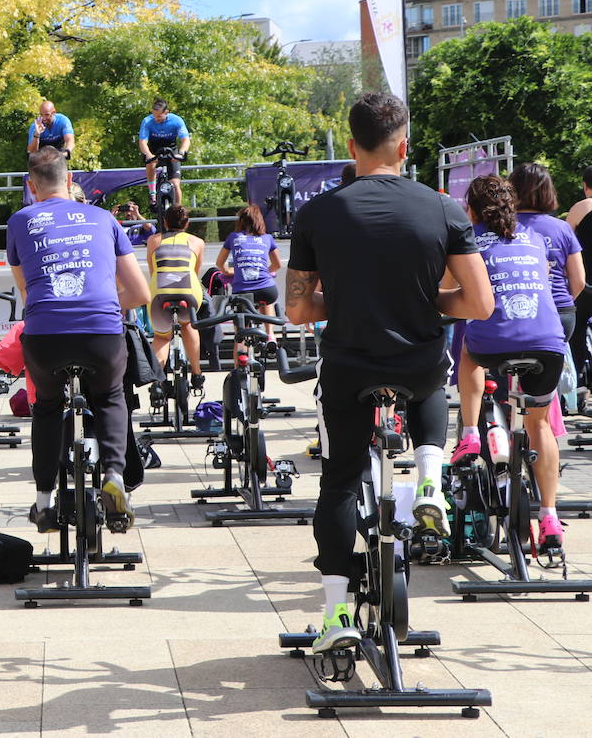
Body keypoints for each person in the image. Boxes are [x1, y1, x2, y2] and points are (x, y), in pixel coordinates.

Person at [285, 92, 493, 654]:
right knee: (431, 376)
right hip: (419, 364)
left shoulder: (317, 213)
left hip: (349, 369)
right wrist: (423, 301)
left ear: (351, 148)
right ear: (404, 146)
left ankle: (336, 615)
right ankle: (429, 475)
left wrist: (352, 300)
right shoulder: (444, 209)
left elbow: (300, 310)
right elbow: (479, 304)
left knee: (339, 482)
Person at [7, 148, 152, 531]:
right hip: (101, 332)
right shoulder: (104, 219)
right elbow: (139, 294)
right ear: (71, 182)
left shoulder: (20, 221)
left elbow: (27, 295)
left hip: (46, 334)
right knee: (109, 397)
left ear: (30, 186)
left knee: (48, 408)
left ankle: (44, 501)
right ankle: (115, 477)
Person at [451, 176, 569, 548]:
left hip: (494, 343)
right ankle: (549, 516)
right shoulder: (534, 239)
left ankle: (470, 433)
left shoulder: (469, 242)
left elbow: (443, 286)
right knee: (540, 427)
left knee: (469, 349)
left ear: (471, 210)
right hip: (549, 343)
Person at [509, 163, 584, 342]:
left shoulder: (503, 227)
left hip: (515, 311)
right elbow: (579, 281)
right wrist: (558, 302)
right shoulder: (562, 228)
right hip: (561, 313)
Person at [146, 205, 205, 389]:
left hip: (160, 292)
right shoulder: (197, 242)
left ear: (164, 221)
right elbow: (195, 271)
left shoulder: (153, 241)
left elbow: (153, 270)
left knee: (162, 337)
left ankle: (156, 383)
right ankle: (197, 374)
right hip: (188, 290)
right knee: (188, 325)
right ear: (187, 223)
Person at [216, 205, 283, 351]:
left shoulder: (233, 238)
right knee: (267, 297)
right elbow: (278, 264)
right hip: (267, 290)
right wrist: (266, 270)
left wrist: (229, 271)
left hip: (243, 292)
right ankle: (270, 334)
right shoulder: (267, 238)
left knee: (240, 333)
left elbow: (219, 263)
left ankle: (240, 354)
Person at [137, 100, 191, 205]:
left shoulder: (177, 120)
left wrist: (181, 153)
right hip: (154, 148)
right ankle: (152, 193)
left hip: (171, 148)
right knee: (150, 162)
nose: (156, 119)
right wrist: (148, 155)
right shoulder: (147, 121)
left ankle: (177, 210)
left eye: (159, 116)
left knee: (175, 184)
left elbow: (185, 139)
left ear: (166, 112)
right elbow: (142, 142)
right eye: (154, 116)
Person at [567, 165, 592, 383]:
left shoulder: (580, 208)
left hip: (585, 283)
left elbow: (566, 244)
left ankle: (580, 383)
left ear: (586, 186)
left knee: (577, 332)